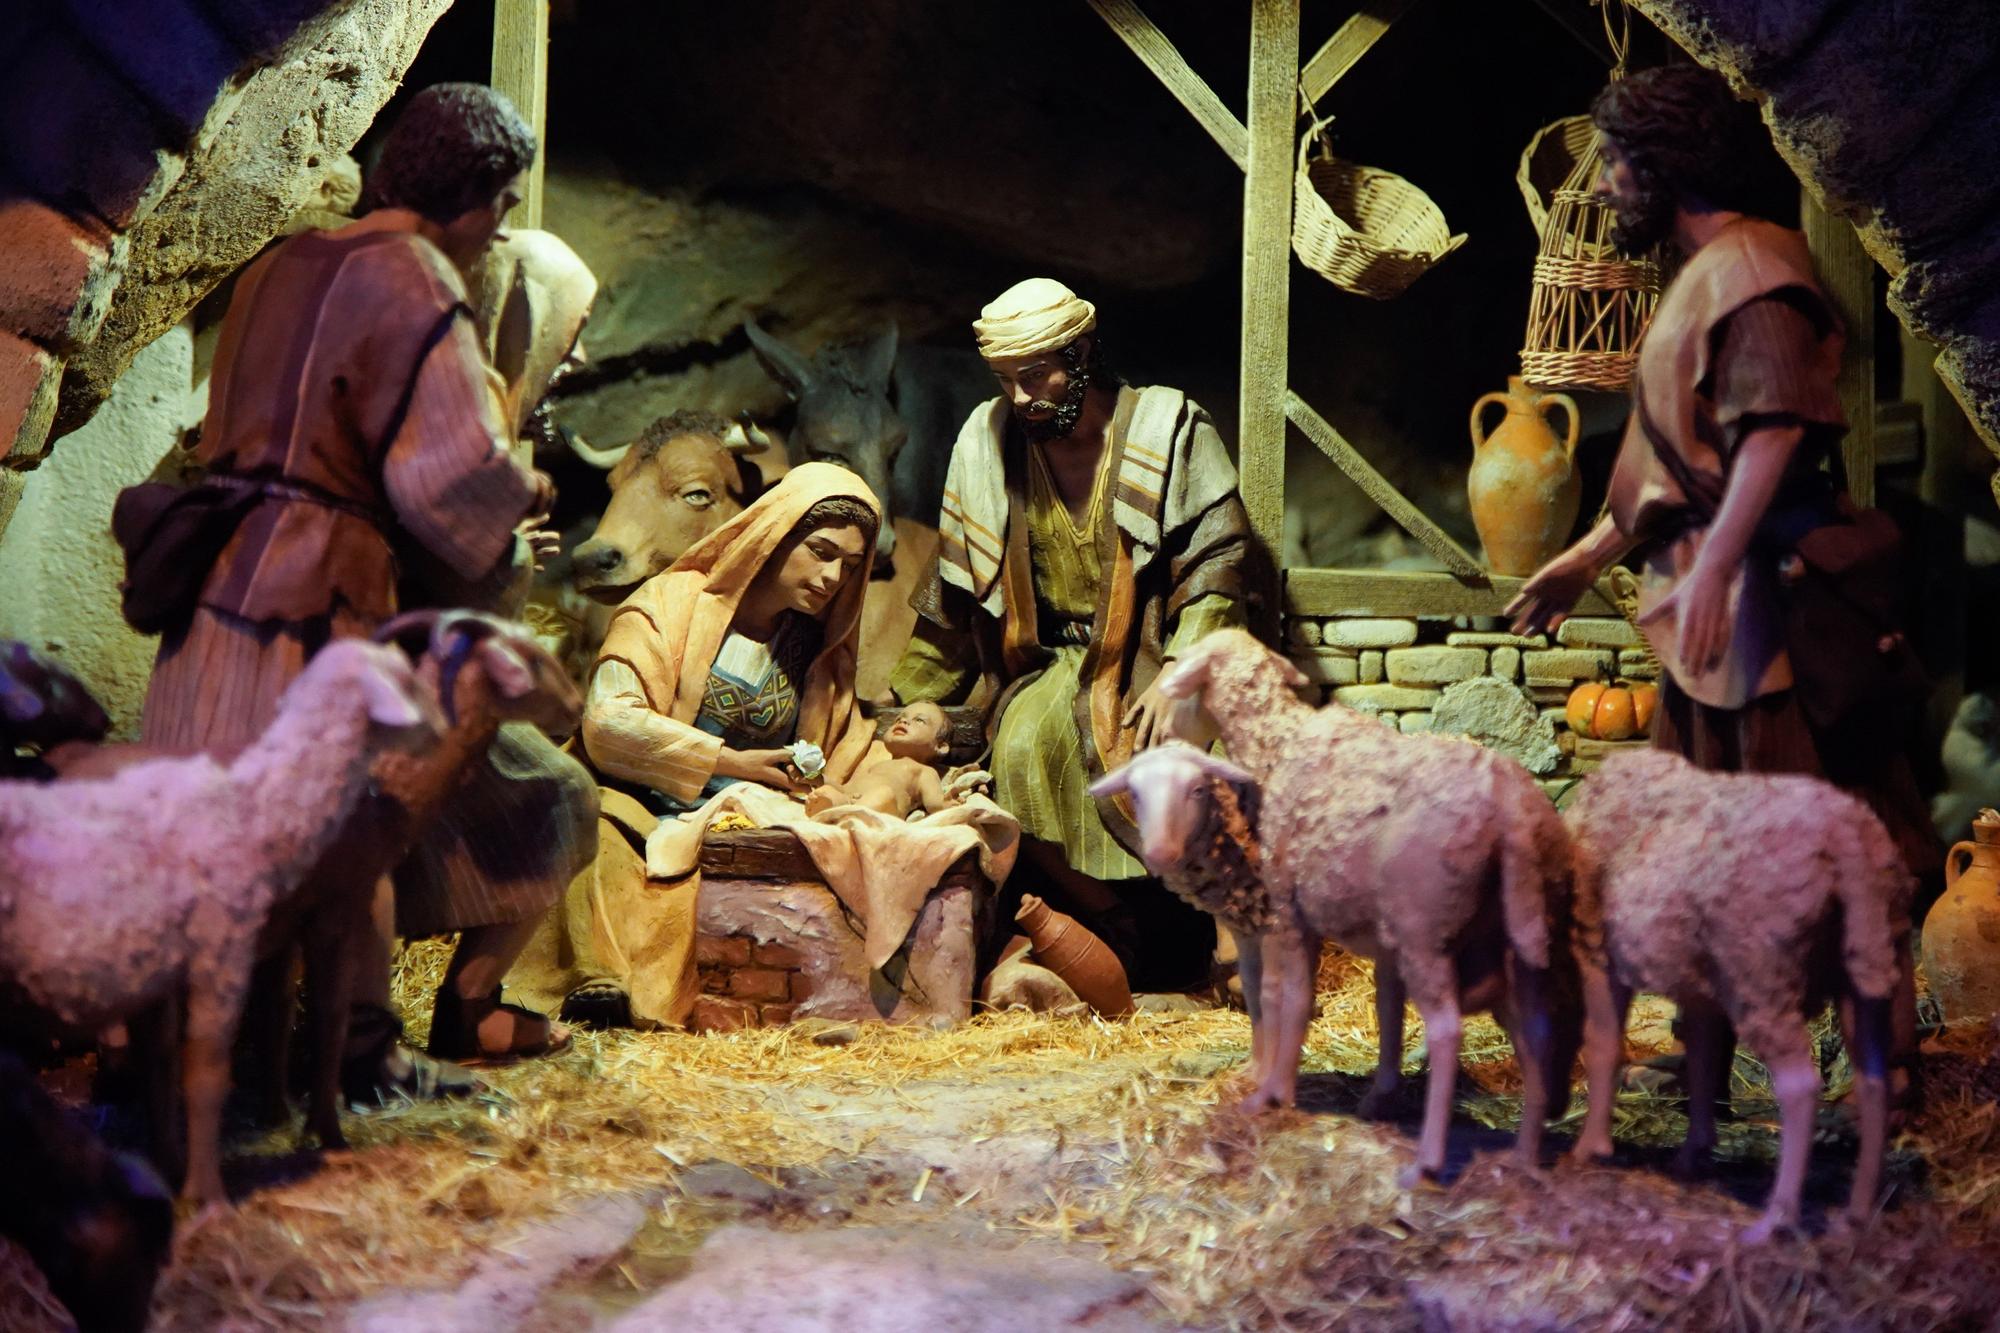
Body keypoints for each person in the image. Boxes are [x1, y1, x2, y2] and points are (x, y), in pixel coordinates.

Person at [1505, 64, 1933, 1096]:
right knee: (1688, 833)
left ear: (1665, 168)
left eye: (1614, 162)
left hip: (1765, 615)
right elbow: (1675, 468)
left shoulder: (1753, 267)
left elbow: (1773, 428)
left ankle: (1880, 1054)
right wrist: (1584, 556)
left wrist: (1719, 567)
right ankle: (1717, 1048)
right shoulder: (1697, 276)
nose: (1603, 184)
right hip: (1715, 607)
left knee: (1806, 828)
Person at [133, 83, 562, 1094]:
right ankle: (359, 1060)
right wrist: (524, 488)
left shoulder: (285, 261)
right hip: (313, 592)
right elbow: (447, 476)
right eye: (501, 208)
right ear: (473, 190)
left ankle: (202, 1057)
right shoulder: (415, 279)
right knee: (340, 825)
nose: (496, 232)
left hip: (217, 574)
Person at [889, 278, 1268, 990]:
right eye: (1005, 381)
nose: (1021, 397)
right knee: (1024, 743)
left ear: (1083, 352)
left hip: (1147, 653)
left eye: (1035, 376)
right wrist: (909, 698)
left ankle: (1217, 936)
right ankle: (1104, 922)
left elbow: (1217, 561)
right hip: (1042, 664)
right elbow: (955, 587)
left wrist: (1187, 669)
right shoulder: (990, 442)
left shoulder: (1168, 428)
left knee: (1166, 748)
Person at [537, 462, 887, 1028]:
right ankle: (601, 983)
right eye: (820, 551)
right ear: (773, 537)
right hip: (643, 803)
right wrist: (728, 761)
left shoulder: (815, 647)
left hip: (754, 815)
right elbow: (607, 721)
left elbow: (846, 745)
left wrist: (903, 780)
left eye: (849, 567)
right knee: (595, 833)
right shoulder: (669, 604)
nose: (832, 578)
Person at [804, 700, 958, 819]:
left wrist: (944, 804)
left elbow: (933, 802)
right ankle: (836, 811)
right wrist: (816, 778)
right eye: (899, 719)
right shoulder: (877, 765)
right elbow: (845, 789)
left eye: (919, 720)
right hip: (851, 801)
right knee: (827, 791)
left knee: (883, 794)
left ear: (940, 746)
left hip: (884, 811)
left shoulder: (924, 771)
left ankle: (842, 812)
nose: (903, 722)